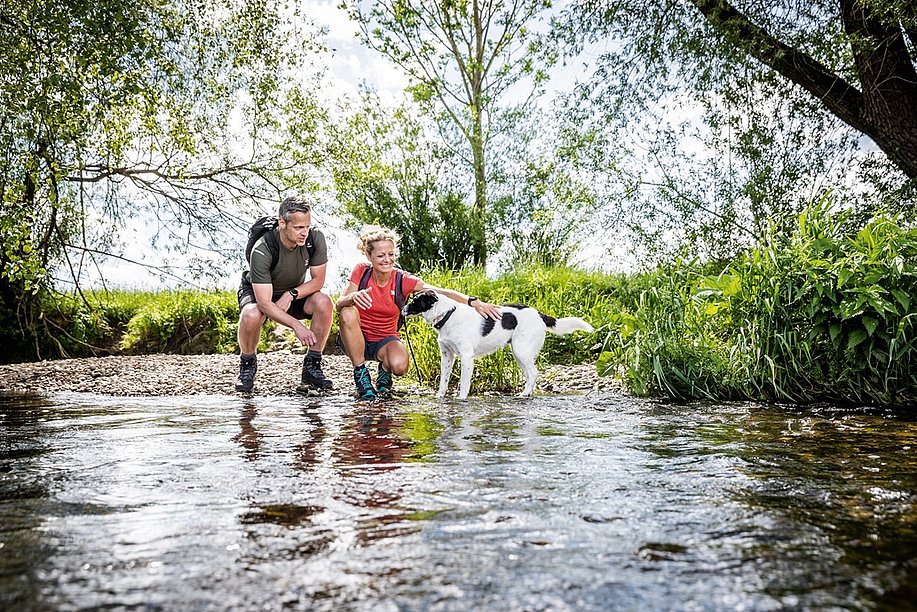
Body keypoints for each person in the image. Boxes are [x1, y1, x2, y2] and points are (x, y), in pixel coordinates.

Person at [336, 225, 501, 400]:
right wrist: (353, 297)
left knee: (400, 366)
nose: (387, 260)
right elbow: (339, 304)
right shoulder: (361, 271)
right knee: (347, 312)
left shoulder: (402, 279)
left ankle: (384, 370)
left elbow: (440, 291)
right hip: (356, 338)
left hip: (384, 340)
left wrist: (472, 301)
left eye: (391, 254)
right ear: (369, 256)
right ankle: (362, 376)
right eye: (380, 255)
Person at [235, 195, 334, 393]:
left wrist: (292, 293)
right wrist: (297, 326)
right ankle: (247, 364)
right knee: (251, 315)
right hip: (260, 293)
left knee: (324, 302)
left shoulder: (315, 239)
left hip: (294, 292)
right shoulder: (262, 249)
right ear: (282, 223)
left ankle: (312, 367)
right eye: (298, 228)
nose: (304, 232)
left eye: (306, 226)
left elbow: (317, 281)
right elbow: (264, 303)